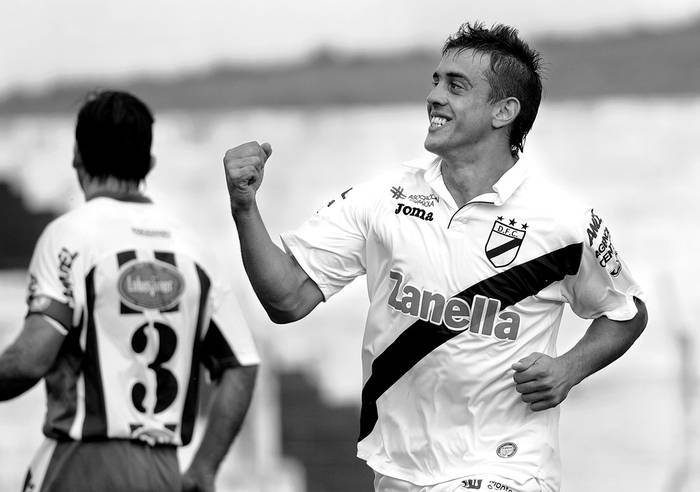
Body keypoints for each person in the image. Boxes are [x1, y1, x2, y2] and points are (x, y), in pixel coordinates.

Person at [222, 22, 647, 492]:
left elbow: (626, 311)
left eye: (456, 86)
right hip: (399, 470)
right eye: (435, 81)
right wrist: (245, 208)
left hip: (508, 468)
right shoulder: (382, 198)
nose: (435, 96)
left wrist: (569, 367)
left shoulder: (562, 222)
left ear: (504, 111)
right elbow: (286, 299)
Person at [0, 90, 259, 492]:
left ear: (77, 161)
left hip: (81, 465)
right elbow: (241, 365)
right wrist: (205, 466)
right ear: (149, 164)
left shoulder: (70, 237)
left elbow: (30, 360)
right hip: (163, 472)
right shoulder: (193, 249)